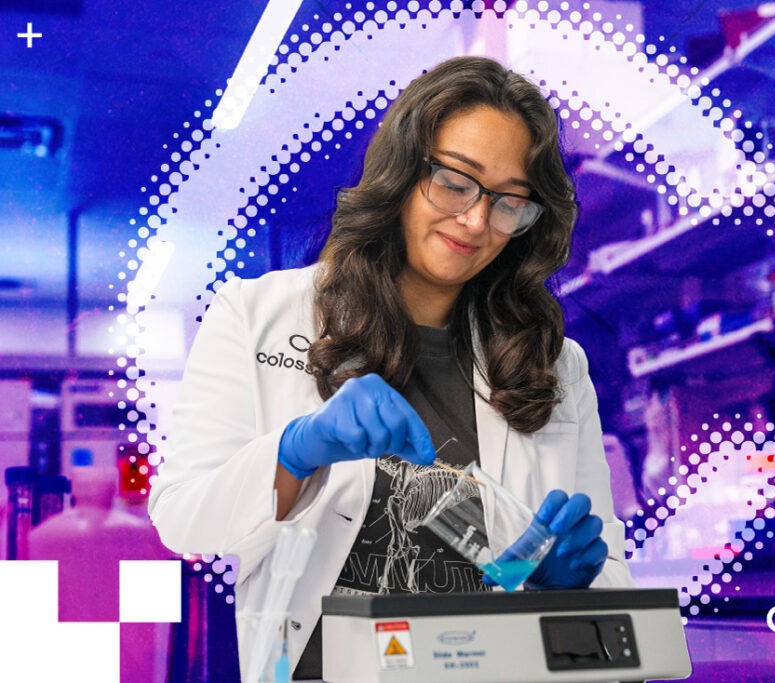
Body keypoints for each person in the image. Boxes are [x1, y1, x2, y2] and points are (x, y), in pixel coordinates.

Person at [148, 55, 633, 680]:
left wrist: (561, 589)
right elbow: (185, 518)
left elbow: (607, 589)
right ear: (403, 171)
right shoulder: (259, 313)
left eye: (511, 202)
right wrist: (296, 452)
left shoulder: (554, 366)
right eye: (457, 181)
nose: (478, 220)